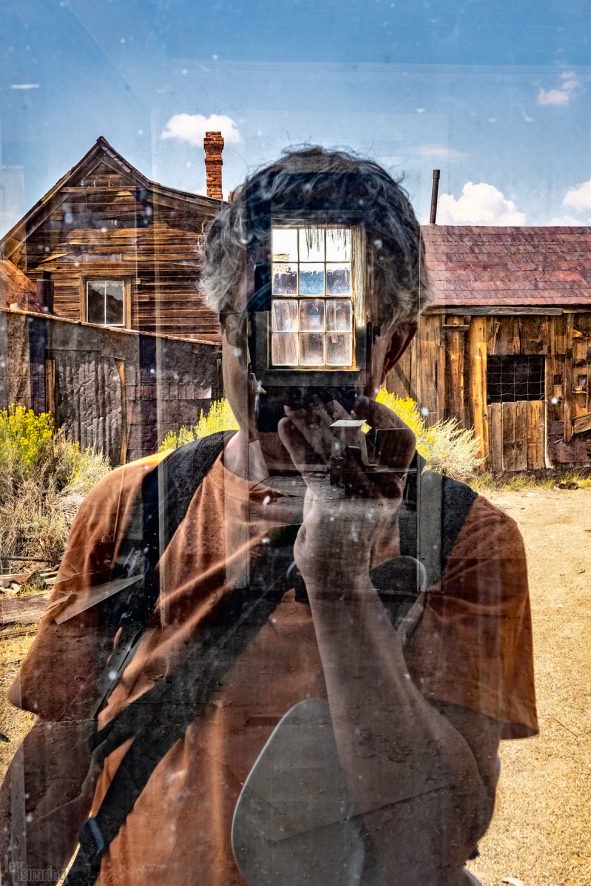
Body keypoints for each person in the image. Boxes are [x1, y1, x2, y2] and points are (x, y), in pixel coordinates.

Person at [0, 147, 537, 886]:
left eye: (326, 330)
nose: (282, 373)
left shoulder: (460, 539)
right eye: (268, 324)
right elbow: (53, 768)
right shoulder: (131, 511)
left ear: (392, 346)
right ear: (221, 322)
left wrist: (340, 584)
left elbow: (432, 840)